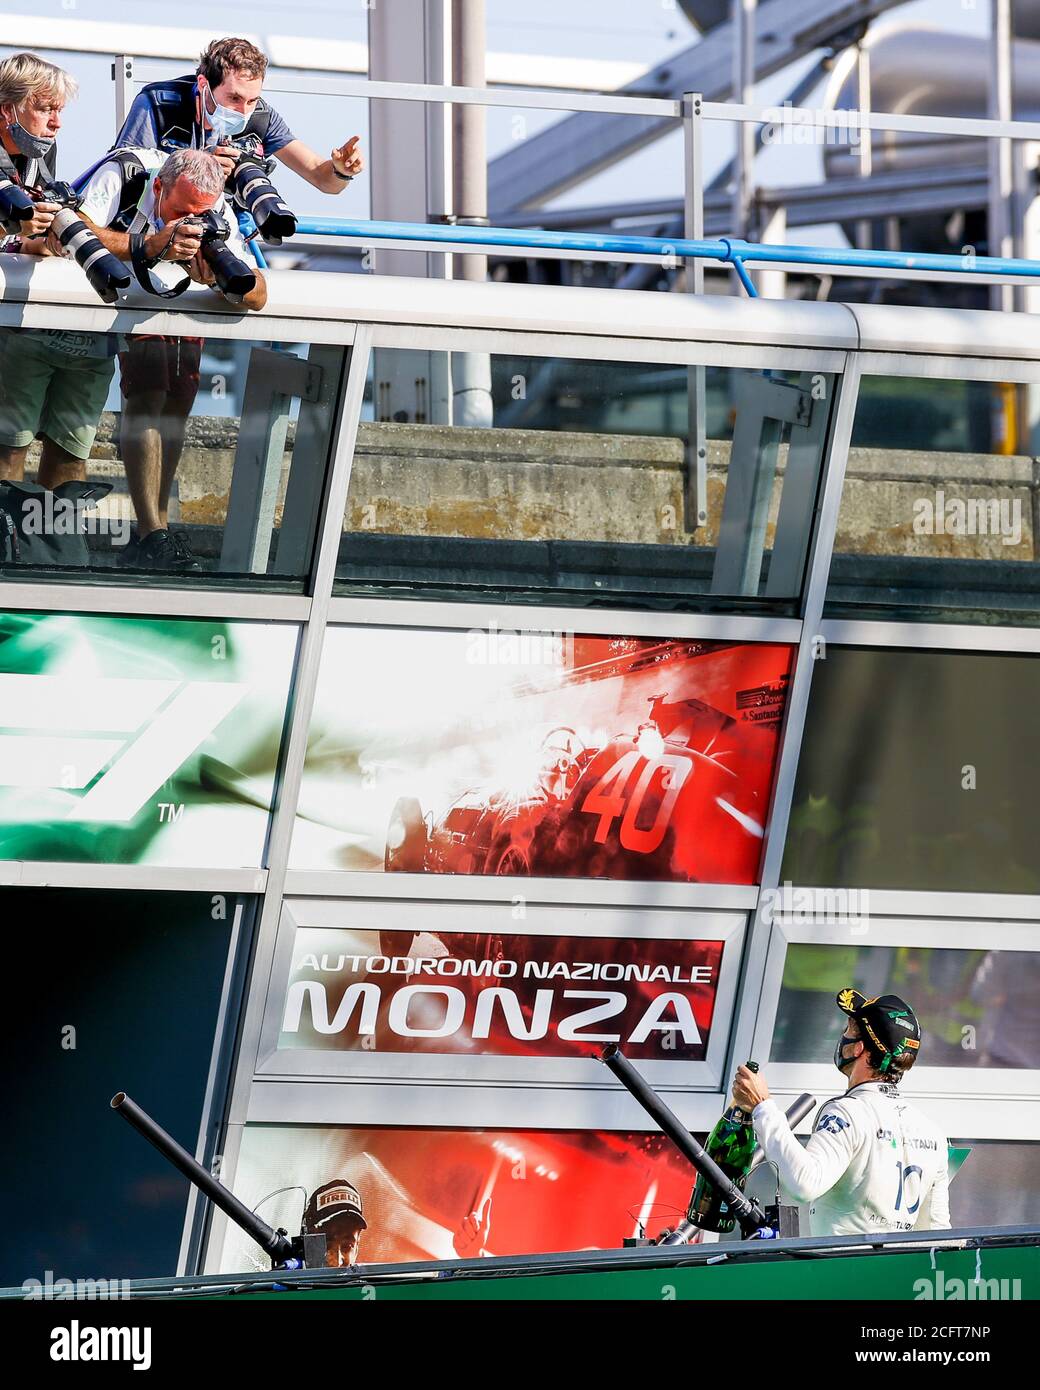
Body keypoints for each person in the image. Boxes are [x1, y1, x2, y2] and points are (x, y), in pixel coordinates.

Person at [76, 146, 267, 571]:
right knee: (147, 394)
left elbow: (258, 293)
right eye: (182, 212)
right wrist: (148, 246)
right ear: (159, 187)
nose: (190, 226)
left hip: (182, 303)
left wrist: (217, 273)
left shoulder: (214, 207)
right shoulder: (127, 173)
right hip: (124, 293)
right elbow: (77, 229)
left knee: (178, 403)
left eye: (200, 216)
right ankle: (152, 531)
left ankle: (153, 533)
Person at [732, 988, 951, 1237]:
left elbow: (803, 1183)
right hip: (896, 1273)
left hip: (840, 1270)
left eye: (848, 1030)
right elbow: (937, 1234)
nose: (842, 1036)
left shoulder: (848, 1112)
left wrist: (763, 1106)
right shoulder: (934, 1134)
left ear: (859, 1049)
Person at [0, 54, 114, 492]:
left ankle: (45, 549)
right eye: (46, 108)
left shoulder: (36, 152)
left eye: (60, 110)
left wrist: (40, 239)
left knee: (64, 447)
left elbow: (25, 233)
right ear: (8, 109)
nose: (56, 122)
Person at [113, 36, 364, 196]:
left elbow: (321, 178)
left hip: (231, 236)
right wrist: (196, 169)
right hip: (164, 230)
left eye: (252, 100)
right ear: (203, 84)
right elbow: (123, 178)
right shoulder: (158, 104)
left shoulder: (262, 117)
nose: (244, 111)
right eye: (234, 98)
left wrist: (341, 171)